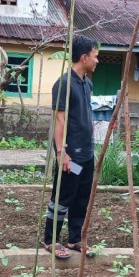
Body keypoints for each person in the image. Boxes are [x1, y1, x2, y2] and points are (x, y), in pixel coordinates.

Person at [43, 35, 99, 259]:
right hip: (71, 156)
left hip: (86, 153)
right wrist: (61, 153)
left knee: (82, 197)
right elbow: (60, 120)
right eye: (95, 57)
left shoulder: (87, 83)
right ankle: (51, 239)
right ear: (84, 57)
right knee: (63, 196)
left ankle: (75, 238)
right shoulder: (64, 84)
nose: (97, 61)